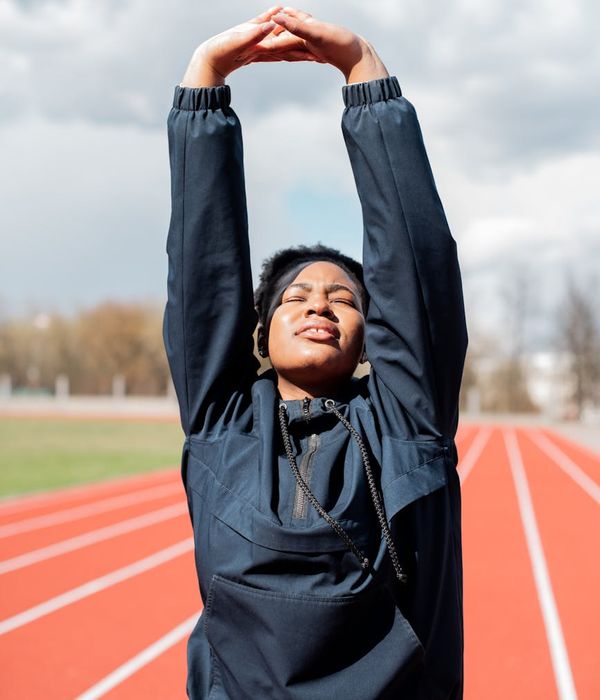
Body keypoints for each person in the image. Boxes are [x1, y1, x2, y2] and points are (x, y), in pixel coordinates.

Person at [163, 6, 468, 699]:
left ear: (374, 335)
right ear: (260, 331)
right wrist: (204, 86)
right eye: (296, 296)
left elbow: (415, 269)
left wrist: (365, 73)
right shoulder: (222, 422)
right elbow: (204, 274)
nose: (320, 304)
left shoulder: (407, 425)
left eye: (345, 297)